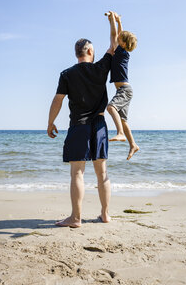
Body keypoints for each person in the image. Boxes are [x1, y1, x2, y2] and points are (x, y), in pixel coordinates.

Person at [47, 13, 117, 228]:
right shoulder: (100, 68)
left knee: (77, 172)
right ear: (89, 51)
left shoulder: (66, 74)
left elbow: (57, 100)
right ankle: (105, 214)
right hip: (99, 125)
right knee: (102, 173)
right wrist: (112, 22)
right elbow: (114, 43)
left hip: (78, 126)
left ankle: (76, 218)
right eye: (93, 51)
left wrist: (50, 123)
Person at [107, 12, 139, 160]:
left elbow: (115, 34)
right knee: (123, 119)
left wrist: (112, 20)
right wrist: (119, 21)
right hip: (125, 90)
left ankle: (120, 133)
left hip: (124, 90)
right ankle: (133, 144)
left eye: (120, 40)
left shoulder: (121, 52)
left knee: (111, 107)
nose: (117, 39)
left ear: (124, 44)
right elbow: (119, 34)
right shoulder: (122, 51)